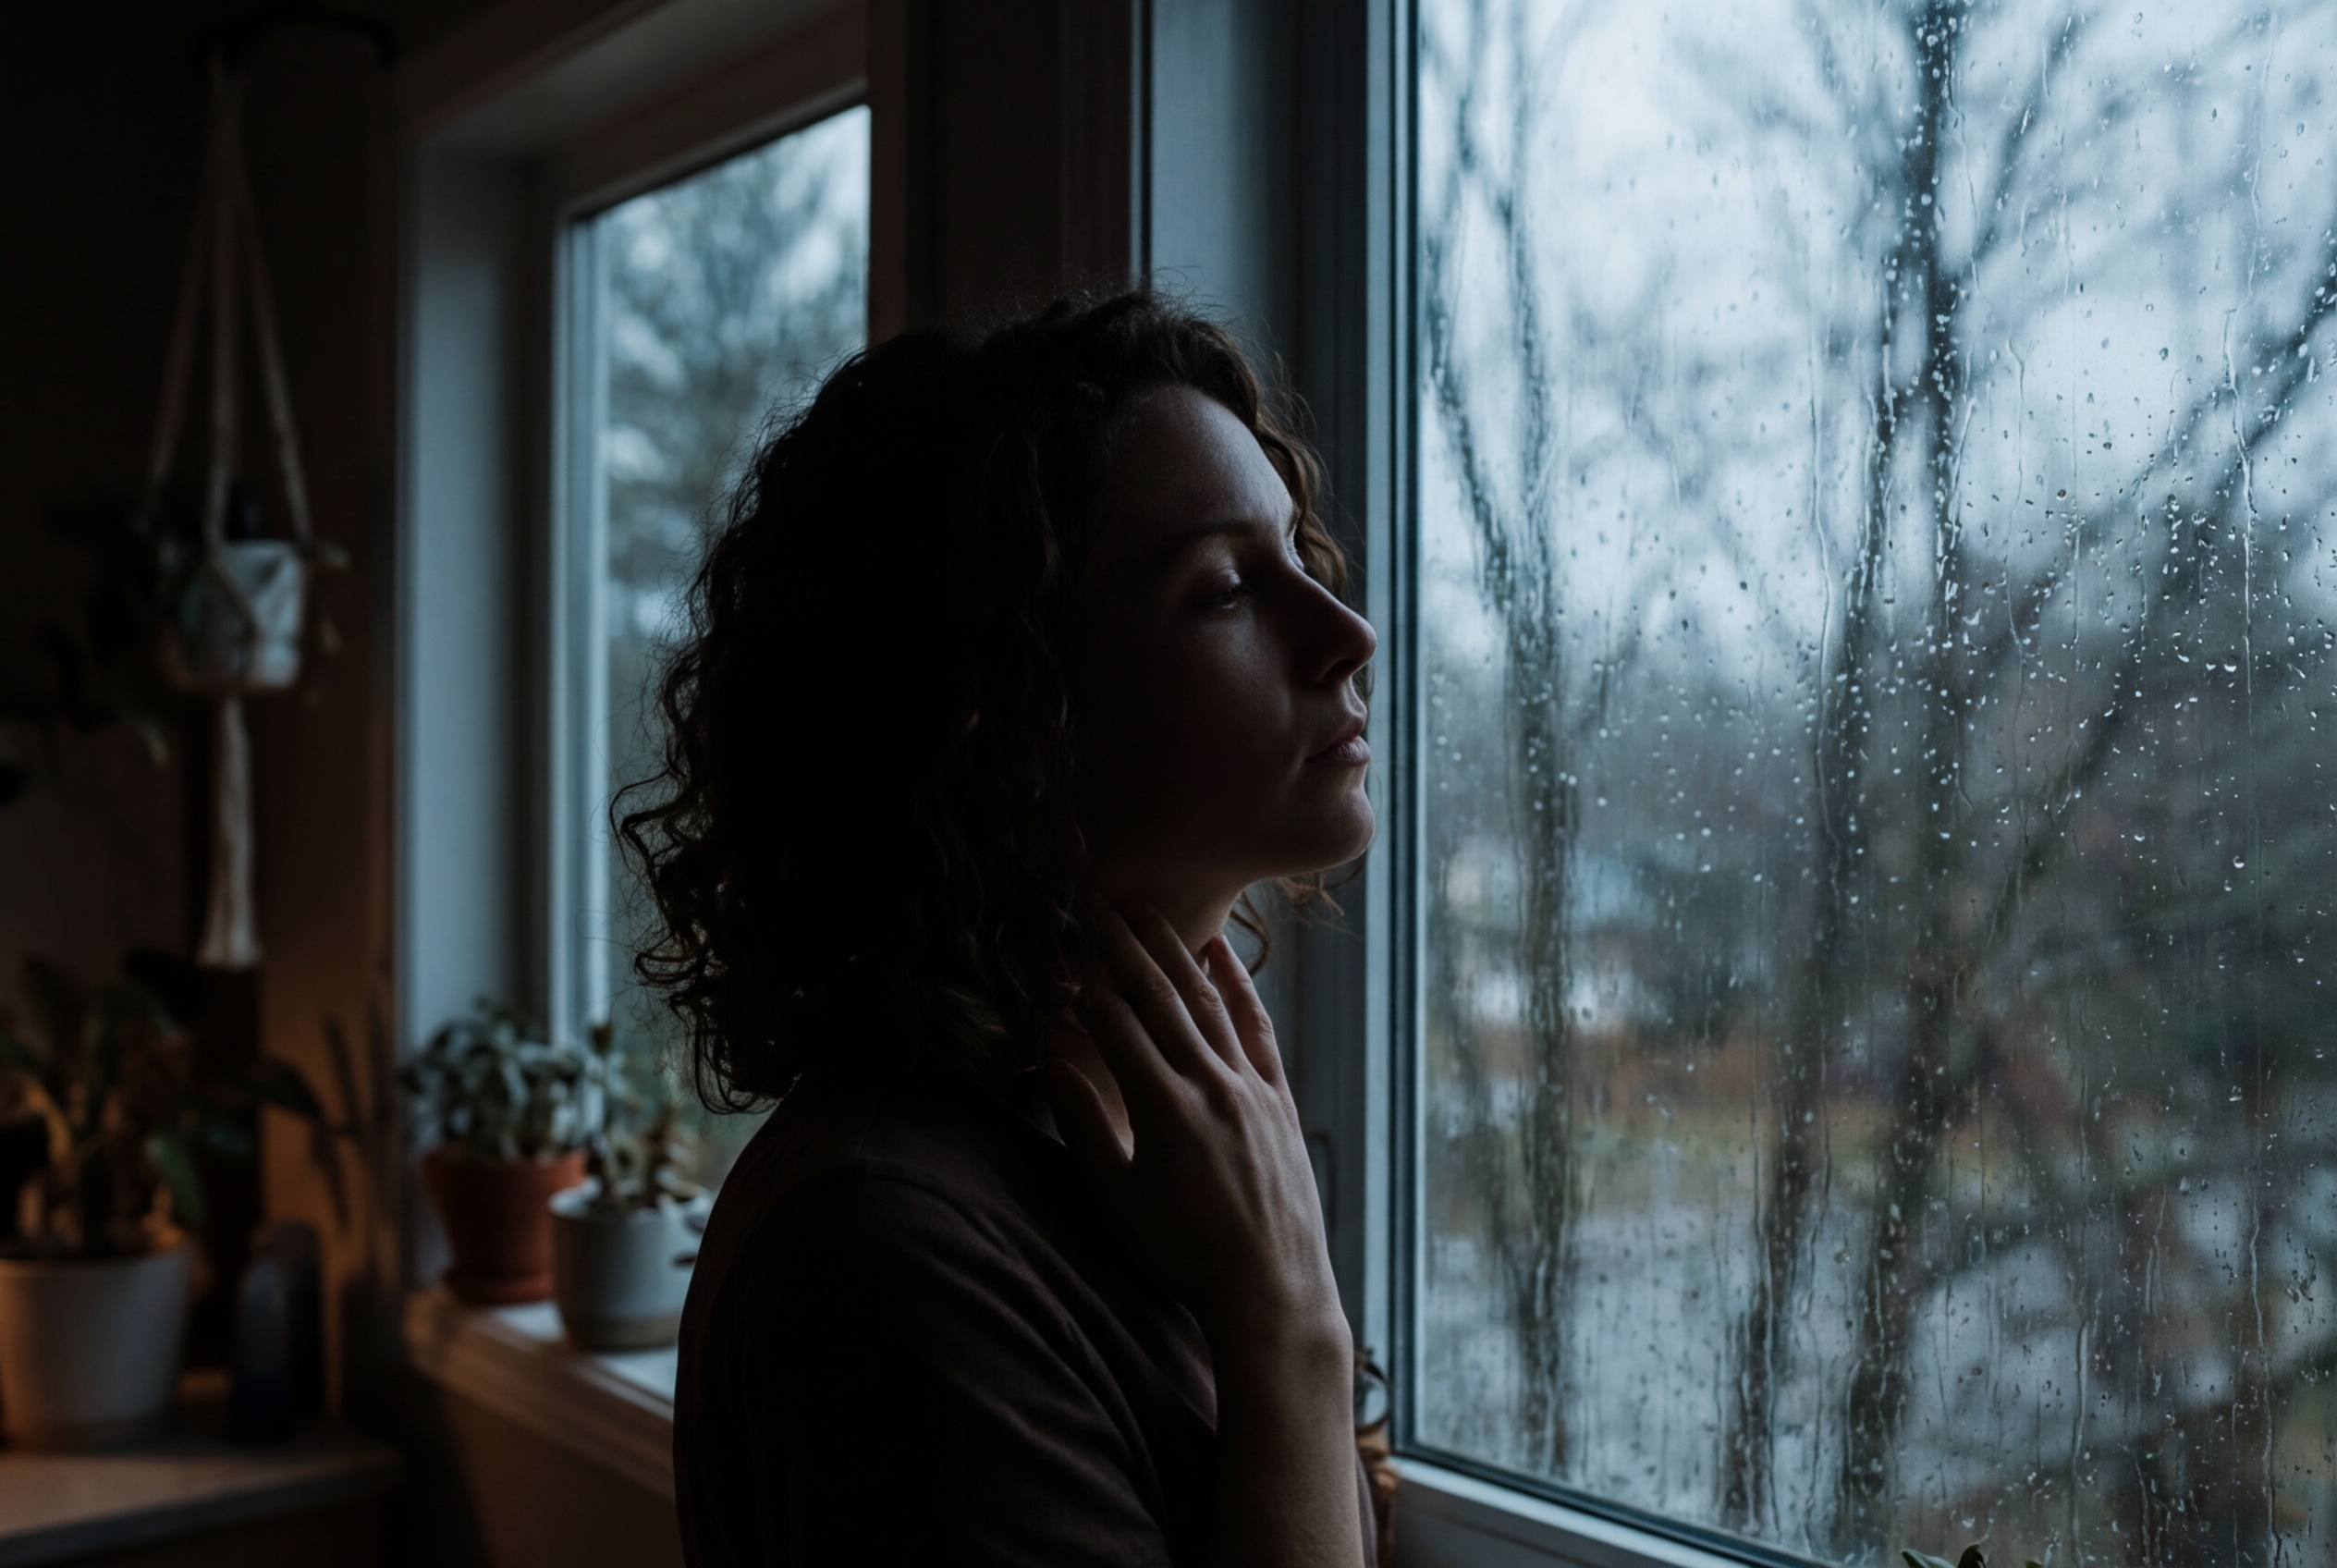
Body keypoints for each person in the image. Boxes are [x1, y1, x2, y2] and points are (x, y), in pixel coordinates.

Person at [622, 290, 1379, 1566]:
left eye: (1297, 558)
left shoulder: (1154, 1153)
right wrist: (1292, 1329)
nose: (1346, 635)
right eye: (1224, 588)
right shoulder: (883, 1259)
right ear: (1011, 711)